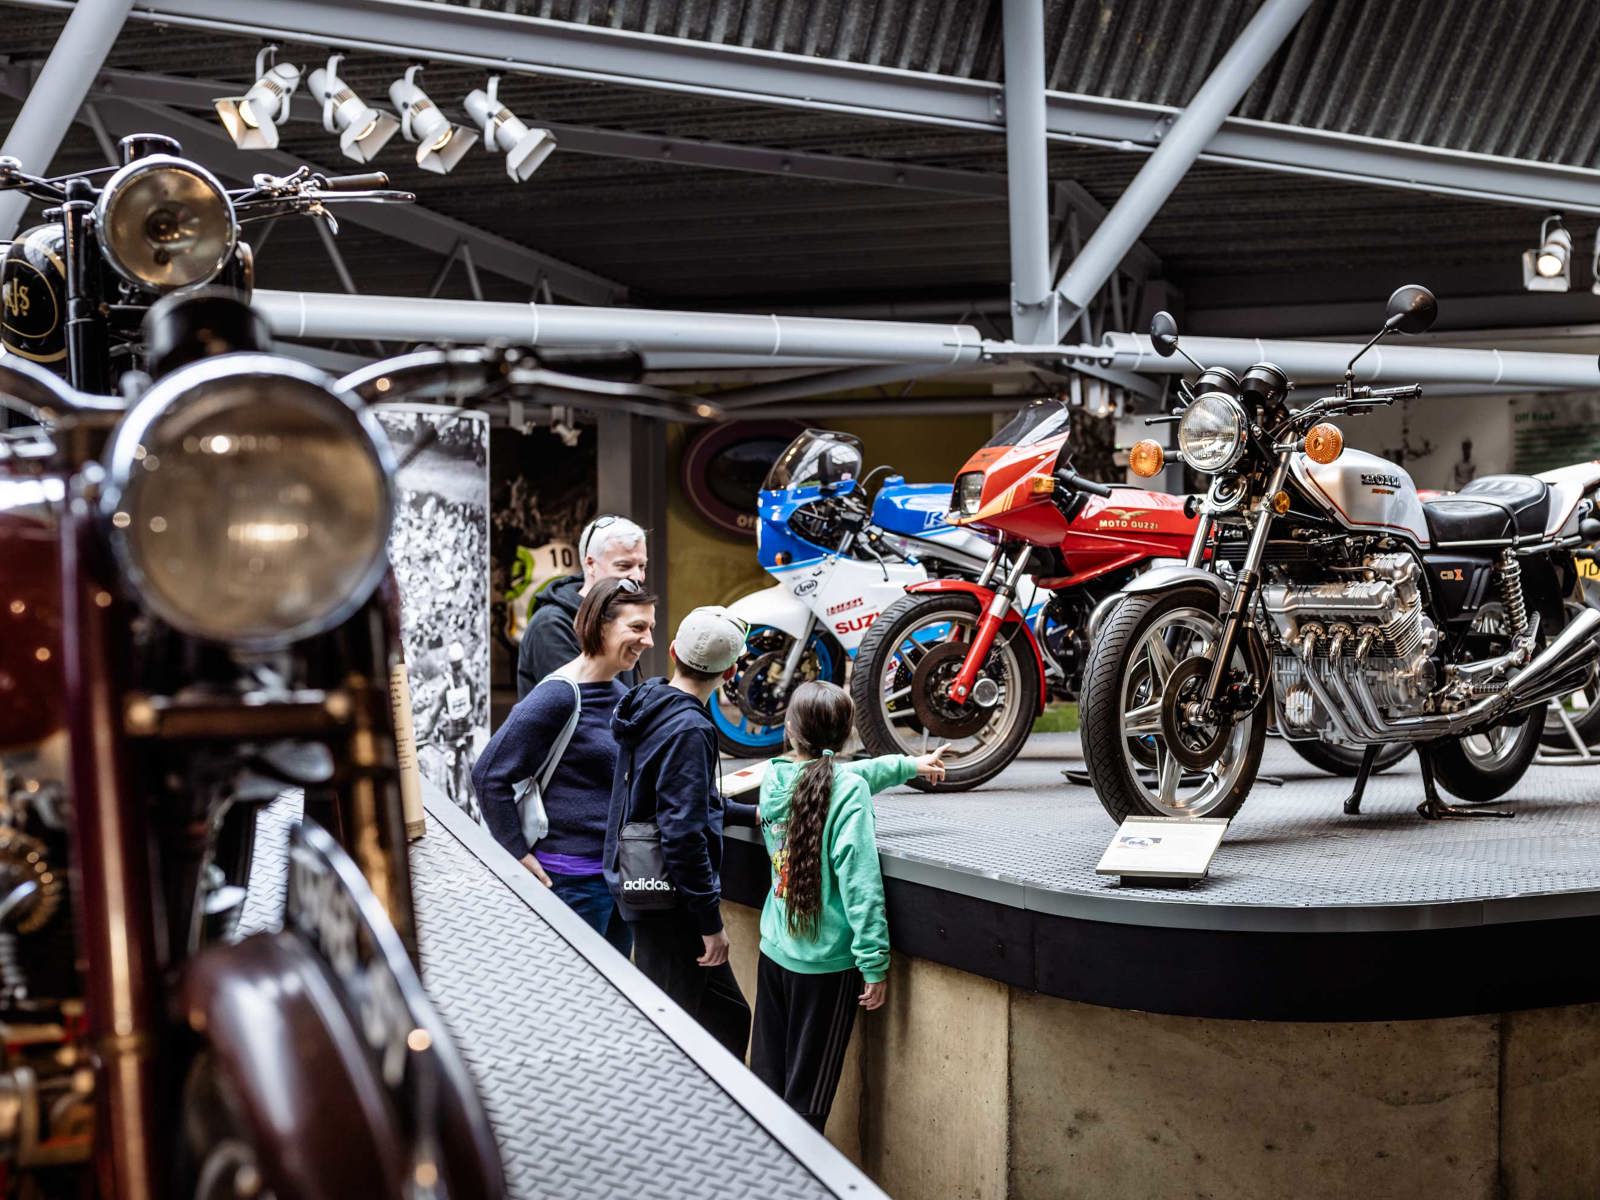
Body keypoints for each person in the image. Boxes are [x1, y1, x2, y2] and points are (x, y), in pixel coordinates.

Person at [750, 681, 947, 1130]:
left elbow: (840, 776)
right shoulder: (847, 789)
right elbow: (861, 884)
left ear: (790, 729)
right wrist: (874, 963)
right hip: (827, 969)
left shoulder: (775, 778)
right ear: (846, 734)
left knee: (766, 1085)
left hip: (775, 954)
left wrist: (908, 765)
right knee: (808, 1102)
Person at [473, 578, 657, 954]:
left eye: (650, 628)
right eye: (637, 627)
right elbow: (488, 774)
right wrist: (517, 853)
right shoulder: (558, 695)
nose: (648, 640)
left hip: (617, 880)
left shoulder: (622, 696)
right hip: (570, 885)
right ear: (600, 626)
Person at [604, 605, 753, 1057]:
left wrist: (752, 814)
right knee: (671, 1039)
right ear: (729, 672)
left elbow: (676, 803)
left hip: (643, 885)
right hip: (671, 905)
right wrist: (710, 923)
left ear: (672, 652)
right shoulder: (689, 728)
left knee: (728, 1017)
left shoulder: (650, 701)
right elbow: (682, 833)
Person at [516, 515, 648, 699]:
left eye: (642, 566)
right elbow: (583, 709)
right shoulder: (551, 624)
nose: (637, 577)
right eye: (624, 566)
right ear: (591, 564)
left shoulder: (618, 616)